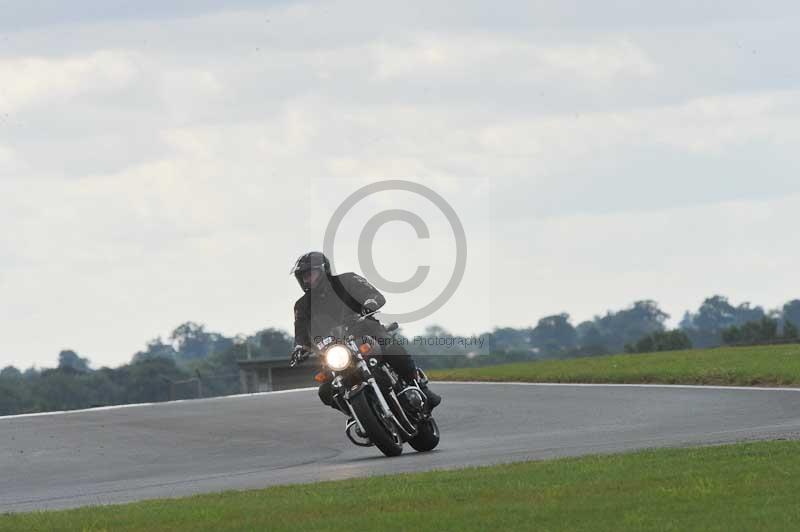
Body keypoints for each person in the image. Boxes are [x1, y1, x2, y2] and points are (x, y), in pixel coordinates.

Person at [289, 251, 441, 412]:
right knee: (326, 391)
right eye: (303, 276)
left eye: (310, 274)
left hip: (365, 331)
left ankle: (418, 386)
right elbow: (301, 331)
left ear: (323, 270)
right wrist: (299, 347)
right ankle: (357, 415)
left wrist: (370, 302)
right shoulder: (302, 305)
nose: (307, 279)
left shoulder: (347, 280)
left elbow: (374, 295)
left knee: (391, 348)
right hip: (334, 348)